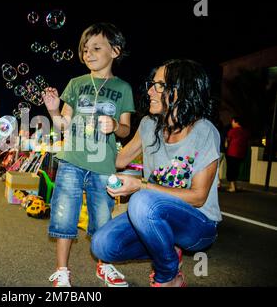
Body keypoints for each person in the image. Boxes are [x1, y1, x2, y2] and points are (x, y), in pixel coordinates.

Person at [91, 59, 222, 287]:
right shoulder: (148, 125)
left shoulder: (205, 132)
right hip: (153, 212)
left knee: (142, 201)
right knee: (102, 245)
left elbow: (199, 196)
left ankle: (167, 276)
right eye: (152, 84)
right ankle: (168, 252)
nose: (150, 90)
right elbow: (118, 160)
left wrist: (140, 186)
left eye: (159, 85)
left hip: (198, 224)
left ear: (181, 91)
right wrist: (99, 137)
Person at [43, 22, 135, 287]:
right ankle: (62, 270)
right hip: (71, 160)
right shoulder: (76, 83)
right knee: (64, 214)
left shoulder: (123, 88)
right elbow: (63, 125)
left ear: (115, 51)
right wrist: (52, 110)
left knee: (102, 218)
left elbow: (126, 129)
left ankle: (104, 266)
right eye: (85, 49)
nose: (88, 54)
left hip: (103, 165)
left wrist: (116, 125)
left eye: (96, 48)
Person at [225, 116, 250, 192]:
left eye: (232, 122)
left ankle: (232, 187)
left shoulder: (232, 131)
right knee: (236, 170)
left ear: (236, 122)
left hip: (232, 153)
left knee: (231, 170)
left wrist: (226, 146)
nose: (231, 123)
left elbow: (227, 142)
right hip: (241, 154)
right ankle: (233, 186)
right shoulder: (245, 131)